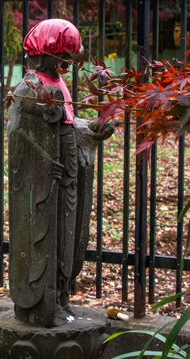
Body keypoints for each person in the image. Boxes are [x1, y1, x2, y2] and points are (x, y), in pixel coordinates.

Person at [7, 19, 114, 327]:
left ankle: (61, 297)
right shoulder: (28, 88)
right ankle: (43, 305)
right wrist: (41, 162)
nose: (67, 64)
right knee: (46, 242)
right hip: (45, 180)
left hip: (67, 175)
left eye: (70, 58)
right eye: (62, 57)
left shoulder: (58, 85)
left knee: (68, 241)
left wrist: (90, 129)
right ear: (45, 53)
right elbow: (17, 135)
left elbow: (66, 125)